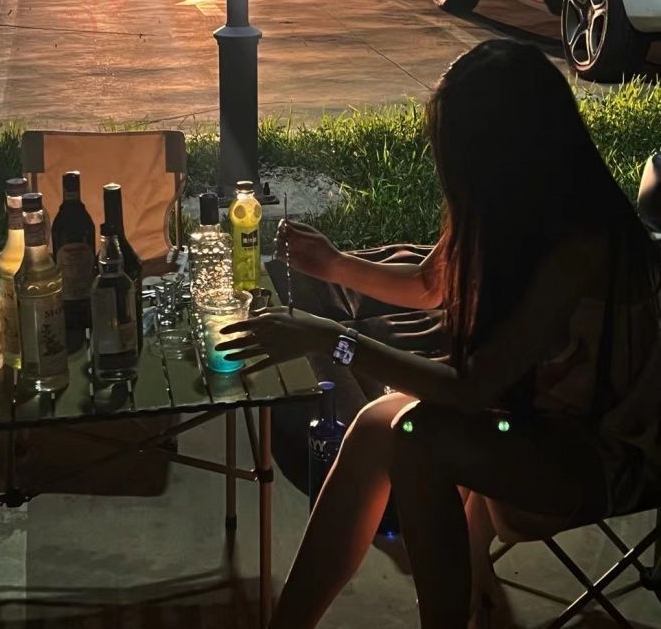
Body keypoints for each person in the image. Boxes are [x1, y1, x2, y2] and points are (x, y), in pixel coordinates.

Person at [218, 39, 661, 629]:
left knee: (418, 437)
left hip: (604, 458)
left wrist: (331, 339)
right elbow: (431, 284)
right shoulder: (513, 212)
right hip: (529, 423)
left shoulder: (579, 246)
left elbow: (470, 389)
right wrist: (336, 265)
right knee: (377, 424)